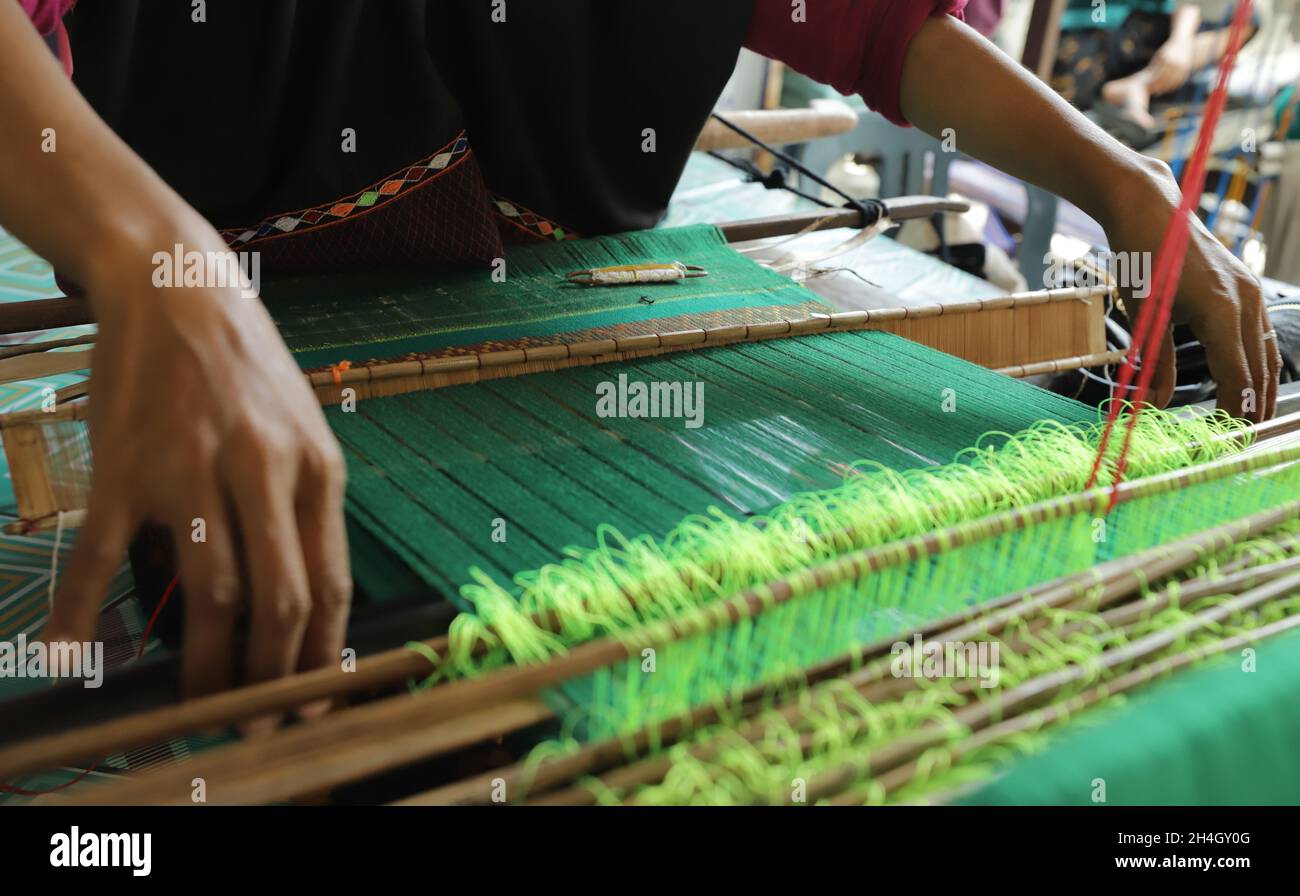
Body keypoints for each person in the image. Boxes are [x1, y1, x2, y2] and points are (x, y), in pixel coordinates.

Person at [1, 1, 1277, 720]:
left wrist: (1125, 183)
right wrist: (152, 251)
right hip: (230, 358)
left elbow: (883, 35)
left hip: (577, 356)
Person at [1053, 0, 1260, 130]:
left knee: (1248, 17)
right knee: (1057, 119)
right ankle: (1137, 86)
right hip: (1093, 36)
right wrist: (1180, 42)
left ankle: (1138, 85)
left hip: (1144, 50)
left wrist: (1181, 43)